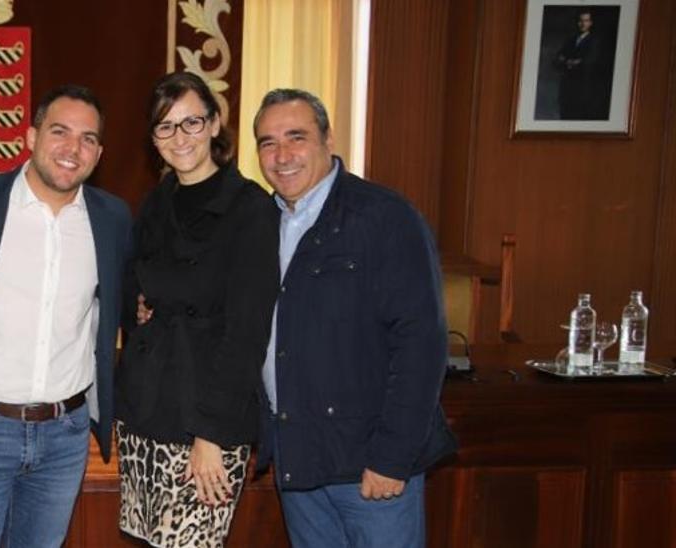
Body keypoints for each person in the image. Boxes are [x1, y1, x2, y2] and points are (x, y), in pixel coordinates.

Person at [0, 84, 132, 547]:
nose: (73, 148)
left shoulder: (113, 219)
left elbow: (133, 299)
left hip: (65, 436)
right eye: (59, 131)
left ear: (99, 153)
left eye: (88, 138)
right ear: (31, 136)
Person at [250, 88, 456, 547]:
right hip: (299, 461)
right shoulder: (260, 224)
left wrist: (392, 457)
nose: (282, 155)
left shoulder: (384, 218)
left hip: (371, 467)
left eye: (296, 137)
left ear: (327, 139)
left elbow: (422, 344)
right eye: (268, 142)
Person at [114, 72, 278, 548]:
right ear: (153, 138)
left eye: (191, 122)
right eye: (166, 127)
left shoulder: (250, 210)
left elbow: (247, 333)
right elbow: (133, 281)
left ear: (215, 123)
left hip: (208, 418)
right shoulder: (155, 203)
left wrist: (211, 435)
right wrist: (141, 307)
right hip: (146, 409)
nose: (179, 137)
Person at [555, 9, 606, 120]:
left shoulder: (594, 41)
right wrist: (569, 61)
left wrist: (568, 61)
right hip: (567, 90)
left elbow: (589, 61)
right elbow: (557, 59)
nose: (583, 24)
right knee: (565, 118)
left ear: (590, 23)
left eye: (586, 21)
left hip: (583, 89)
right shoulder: (570, 40)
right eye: (580, 21)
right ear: (577, 22)